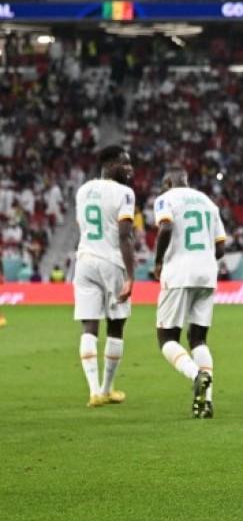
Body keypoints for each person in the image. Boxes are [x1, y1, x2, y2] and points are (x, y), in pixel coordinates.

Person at [152, 169, 225, 418]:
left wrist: (158, 261)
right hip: (207, 274)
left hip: (178, 273)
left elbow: (165, 227)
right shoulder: (208, 202)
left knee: (167, 338)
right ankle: (207, 402)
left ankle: (197, 375)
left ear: (168, 182)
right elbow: (221, 246)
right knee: (198, 339)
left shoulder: (166, 199)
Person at [73, 145, 136, 408]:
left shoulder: (83, 190)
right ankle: (108, 389)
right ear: (110, 164)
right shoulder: (124, 193)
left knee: (89, 326)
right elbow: (124, 235)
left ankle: (94, 391)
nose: (130, 168)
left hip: (85, 260)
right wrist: (131, 276)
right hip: (111, 261)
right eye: (125, 163)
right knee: (115, 325)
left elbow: (82, 226)